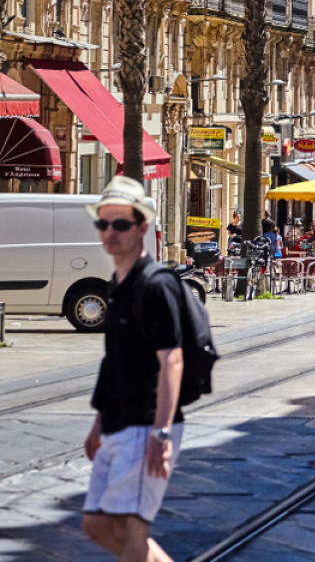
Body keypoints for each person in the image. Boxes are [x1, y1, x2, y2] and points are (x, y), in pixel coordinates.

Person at [82, 177, 186, 562]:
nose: (109, 233)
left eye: (120, 224)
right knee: (96, 524)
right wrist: (98, 422)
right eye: (103, 224)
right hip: (117, 423)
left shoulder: (156, 285)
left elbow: (171, 361)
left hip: (146, 425)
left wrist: (161, 432)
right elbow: (114, 361)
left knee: (130, 532)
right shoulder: (116, 284)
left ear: (142, 227)